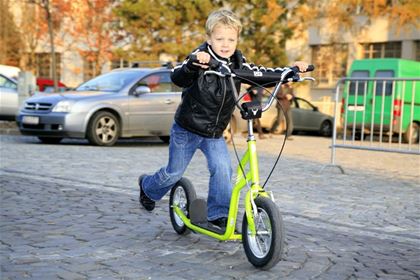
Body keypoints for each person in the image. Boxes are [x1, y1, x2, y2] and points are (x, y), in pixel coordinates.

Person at [138, 8, 309, 229]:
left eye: (231, 39)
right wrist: (193, 64)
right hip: (187, 129)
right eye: (219, 39)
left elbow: (259, 74)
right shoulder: (200, 58)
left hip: (214, 133)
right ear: (209, 38)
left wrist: (290, 71)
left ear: (237, 40)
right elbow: (178, 75)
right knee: (173, 173)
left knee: (223, 170)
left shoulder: (238, 62)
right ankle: (147, 187)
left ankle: (218, 214)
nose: (225, 44)